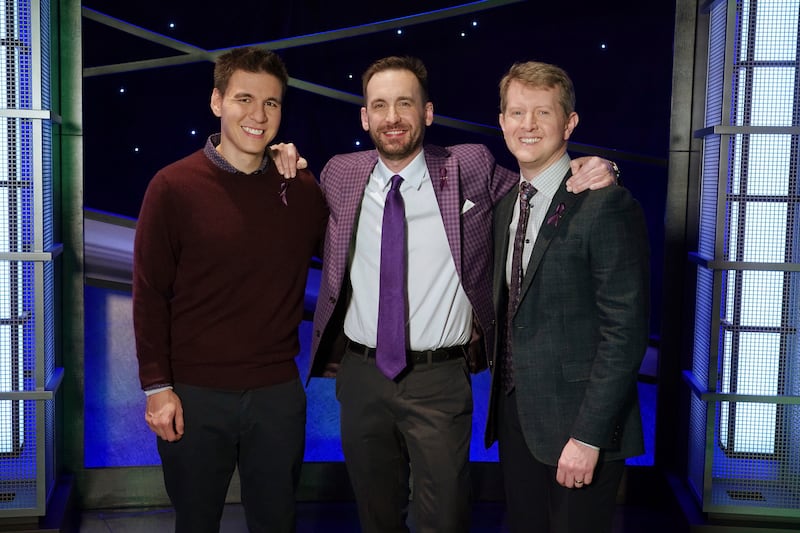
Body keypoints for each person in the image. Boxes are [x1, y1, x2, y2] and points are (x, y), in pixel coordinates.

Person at [307, 56, 617, 533]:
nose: (393, 117)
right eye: (380, 106)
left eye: (405, 104)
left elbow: (544, 182)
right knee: (375, 516)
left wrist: (603, 166)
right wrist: (278, 156)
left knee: (446, 519)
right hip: (361, 376)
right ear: (365, 117)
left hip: (439, 380)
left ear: (427, 113)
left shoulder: (468, 165)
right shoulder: (340, 174)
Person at [132, 46, 327, 533]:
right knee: (195, 522)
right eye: (244, 99)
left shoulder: (300, 188)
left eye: (272, 103)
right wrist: (158, 388)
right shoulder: (172, 186)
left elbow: (351, 254)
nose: (258, 116)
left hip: (277, 393)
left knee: (277, 521)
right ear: (217, 102)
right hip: (195, 396)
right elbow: (150, 292)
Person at [485, 61, 650, 533]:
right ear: (502, 122)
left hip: (580, 429)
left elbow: (626, 332)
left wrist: (588, 437)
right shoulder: (504, 207)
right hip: (518, 418)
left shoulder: (605, 203)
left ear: (569, 123)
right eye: (516, 113)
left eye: (542, 113)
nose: (528, 125)